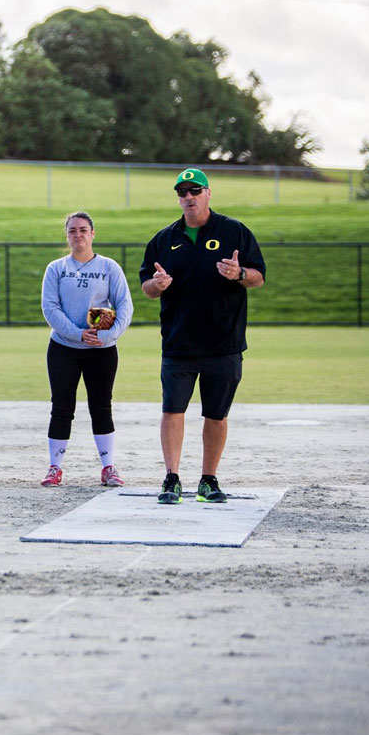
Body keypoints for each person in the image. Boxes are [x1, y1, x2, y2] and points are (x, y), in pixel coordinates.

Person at [140, 168, 266, 505]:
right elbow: (147, 287)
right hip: (179, 342)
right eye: (182, 192)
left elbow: (258, 277)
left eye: (195, 190)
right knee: (173, 410)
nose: (188, 197)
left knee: (216, 414)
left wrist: (238, 273)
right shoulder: (164, 239)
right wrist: (158, 285)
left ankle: (208, 479)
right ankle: (171, 478)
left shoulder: (233, 231)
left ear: (209, 193)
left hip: (223, 342)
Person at [39, 211, 134, 488]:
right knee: (61, 407)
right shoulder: (56, 268)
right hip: (64, 347)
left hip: (101, 349)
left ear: (93, 233)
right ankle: (55, 466)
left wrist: (108, 335)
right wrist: (78, 333)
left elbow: (125, 305)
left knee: (101, 406)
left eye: (83, 230)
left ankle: (108, 467)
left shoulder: (108, 267)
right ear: (66, 235)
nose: (77, 235)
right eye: (72, 231)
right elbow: (50, 308)